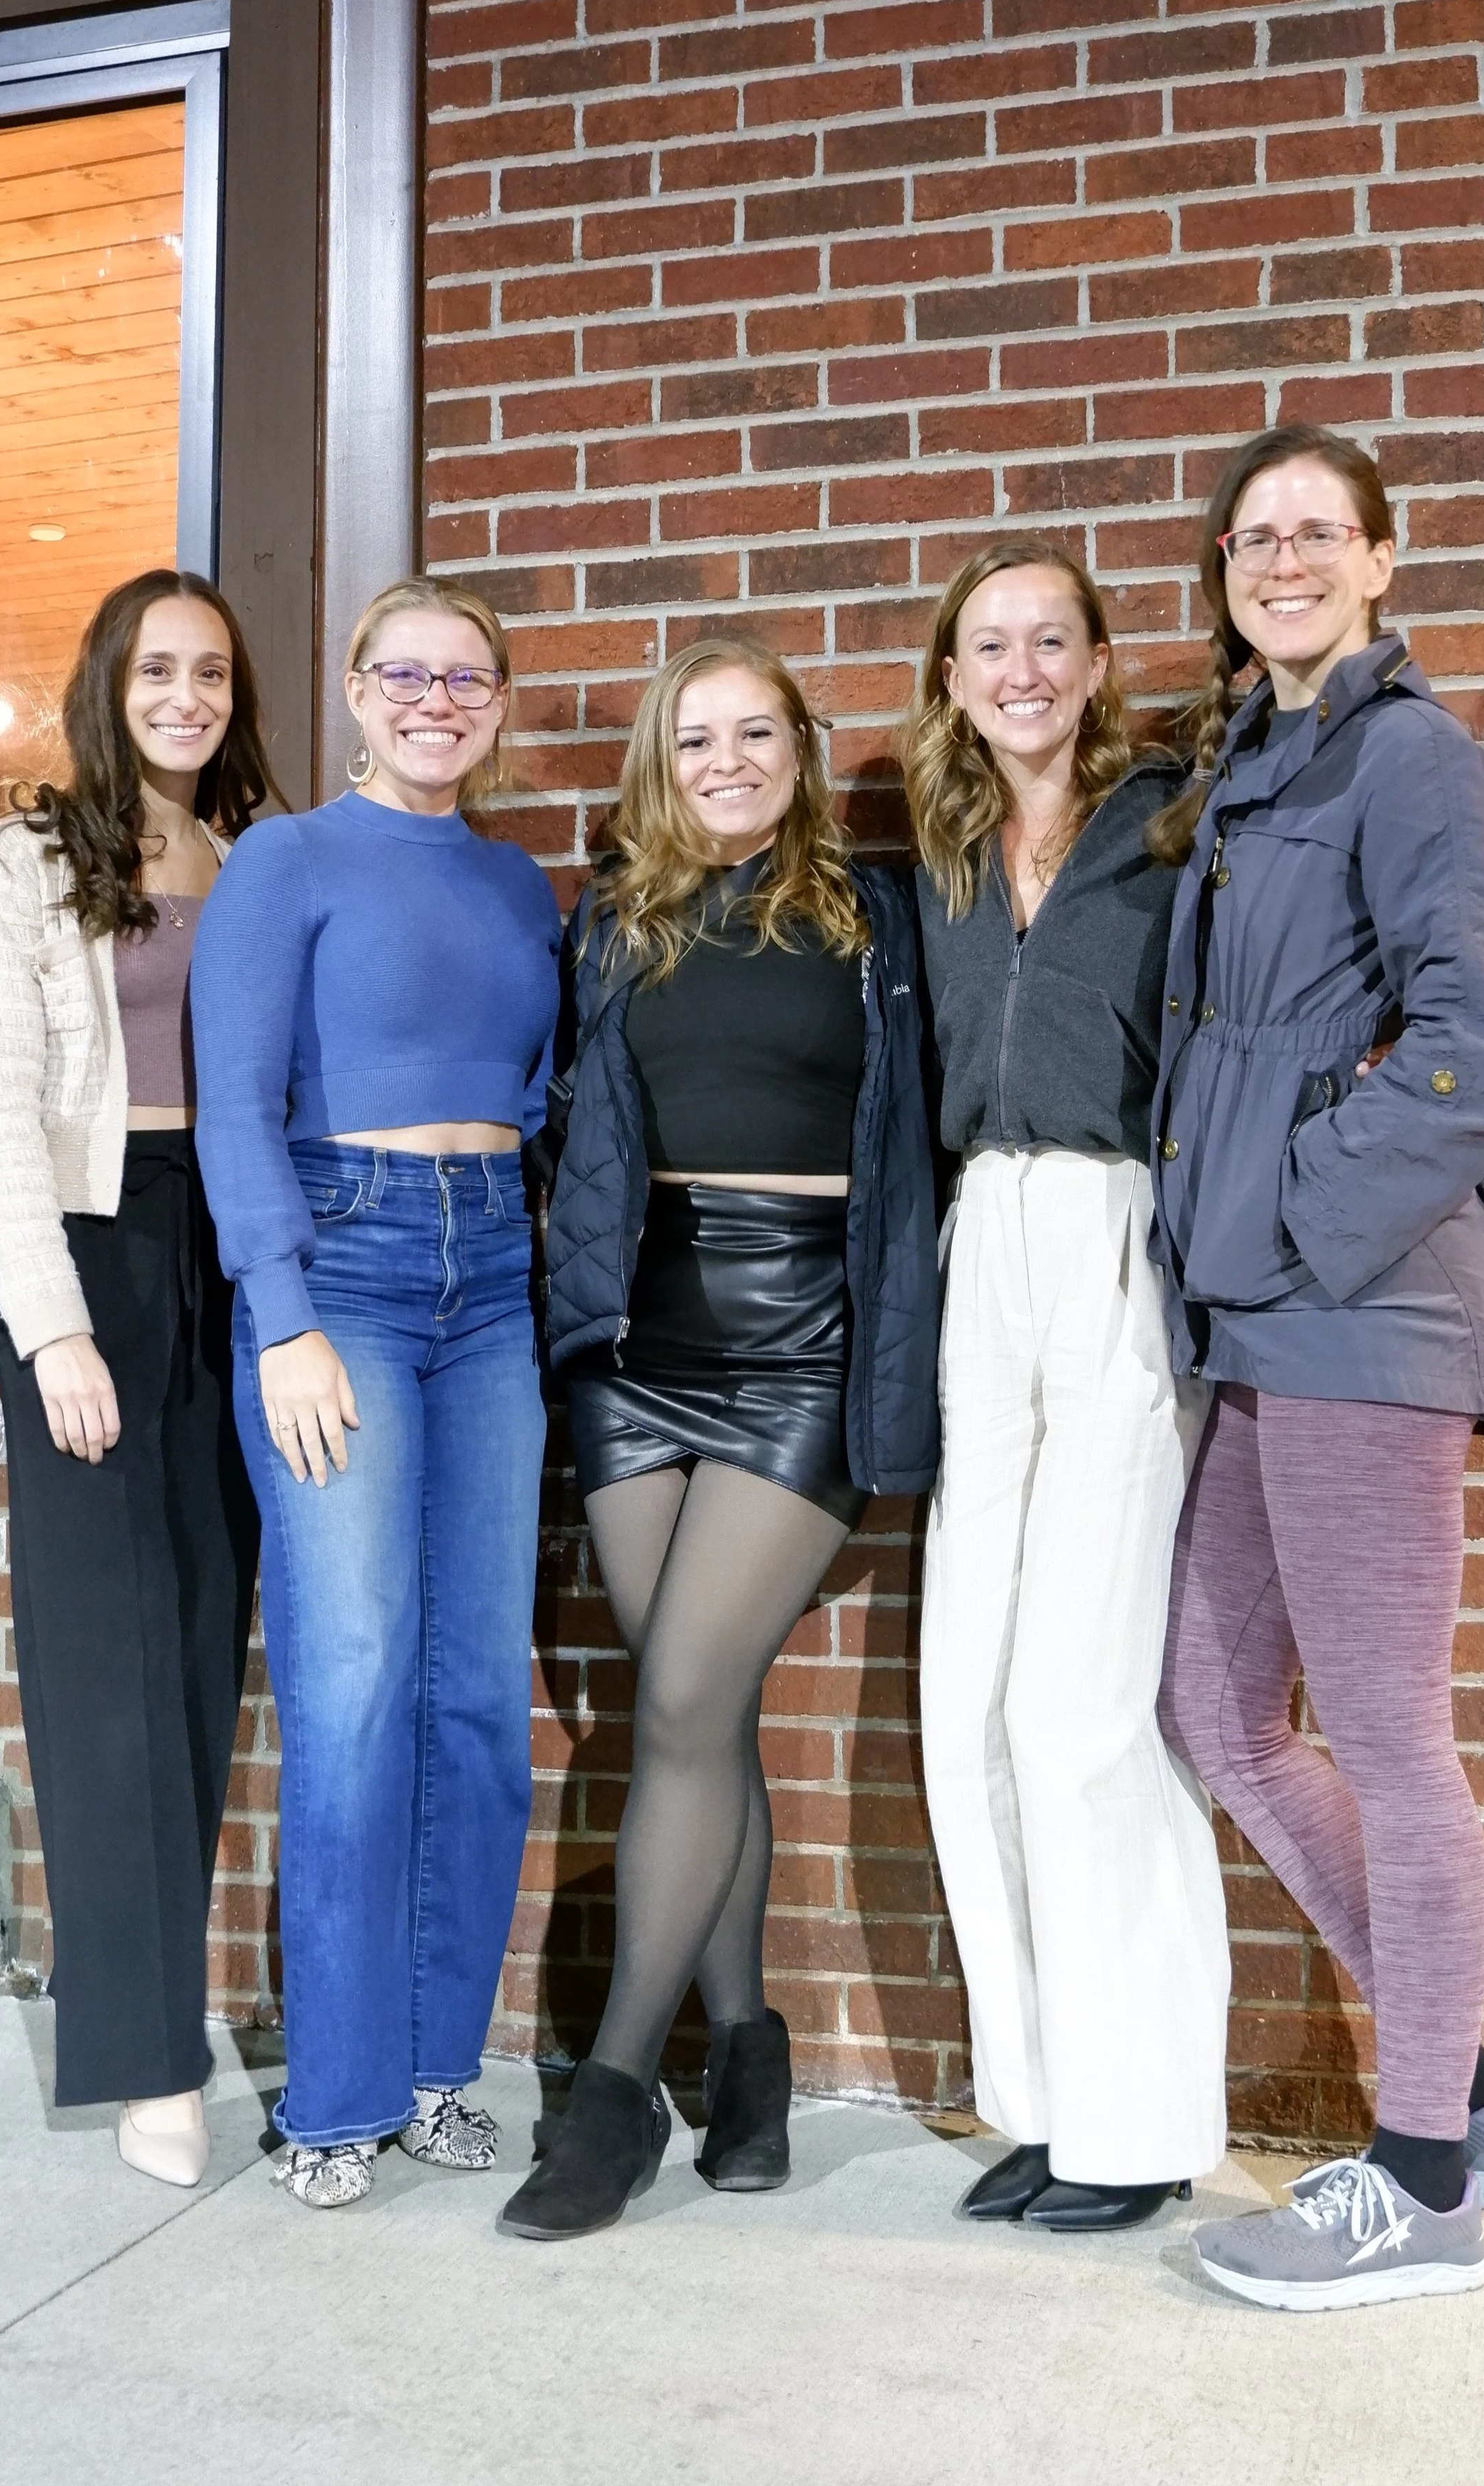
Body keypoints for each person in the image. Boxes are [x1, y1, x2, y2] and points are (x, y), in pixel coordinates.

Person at [499, 636, 940, 2241]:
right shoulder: (610, 925)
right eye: (700, 739)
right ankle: (750, 2054)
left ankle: (614, 2093)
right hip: (637, 1343)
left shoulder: (878, 916)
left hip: (809, 1341)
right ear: (660, 762)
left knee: (680, 1692)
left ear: (804, 748)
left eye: (760, 732)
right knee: (703, 1703)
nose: (732, 760)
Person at [1148, 422, 1484, 2310]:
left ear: (1382, 559)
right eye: (1252, 536)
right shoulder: (1260, 765)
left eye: (1316, 532)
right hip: (1264, 1309)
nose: (1280, 557)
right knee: (1215, 1711)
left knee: (1381, 1729)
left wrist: (1294, 1213)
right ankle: (1469, 2075)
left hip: (1355, 1306)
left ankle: (1426, 2181)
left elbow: (1481, 1044)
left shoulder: (1413, 758)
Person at [190, 574, 560, 2210]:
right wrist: (281, 1312)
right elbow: (233, 1105)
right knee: (349, 1682)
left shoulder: (518, 879)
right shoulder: (284, 860)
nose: (435, 697)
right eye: (403, 670)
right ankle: (332, 2092)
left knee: (478, 1694)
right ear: (354, 687)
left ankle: (434, 2065)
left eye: (465, 676)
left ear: (495, 701)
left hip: (495, 1285)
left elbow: (538, 1089)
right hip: (339, 1270)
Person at [905, 536, 1231, 2232]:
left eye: (1052, 639)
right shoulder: (948, 847)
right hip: (983, 1247)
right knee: (966, 1706)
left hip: (1112, 1237)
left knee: (1082, 1710)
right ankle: (1039, 2095)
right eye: (988, 645)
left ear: (1101, 661)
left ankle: (1143, 2112)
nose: (1020, 669)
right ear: (952, 677)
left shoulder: (1175, 825)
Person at [0, 568, 272, 2187]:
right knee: (104, 1658)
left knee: (203, 1640)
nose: (186, 696)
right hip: (94, 1245)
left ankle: (170, 2001)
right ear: (109, 679)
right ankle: (149, 2056)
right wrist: (55, 1322)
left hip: (236, 1248)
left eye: (211, 672)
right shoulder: (24, 859)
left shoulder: (254, 851)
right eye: (159, 669)